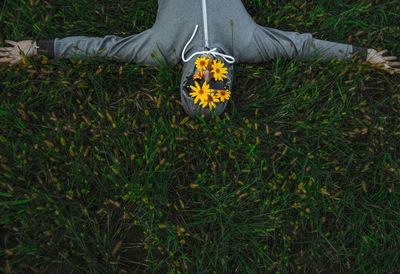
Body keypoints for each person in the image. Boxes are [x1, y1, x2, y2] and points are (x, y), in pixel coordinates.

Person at [1, 0, 399, 119]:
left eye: (198, 82)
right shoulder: (252, 46)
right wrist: (363, 56)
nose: (207, 71)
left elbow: (100, 47)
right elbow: (305, 46)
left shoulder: (157, 50)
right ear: (229, 82)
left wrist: (37, 47)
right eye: (216, 81)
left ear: (185, 79)